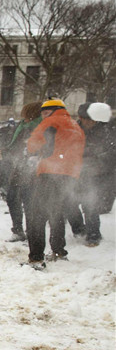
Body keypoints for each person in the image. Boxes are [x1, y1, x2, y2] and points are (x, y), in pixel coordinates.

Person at [23, 98, 86, 270]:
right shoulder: (74, 125)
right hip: (70, 175)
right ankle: (58, 252)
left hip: (50, 173)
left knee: (36, 215)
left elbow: (33, 145)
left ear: (53, 111)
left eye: (45, 112)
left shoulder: (51, 121)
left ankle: (36, 258)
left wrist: (31, 148)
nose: (43, 116)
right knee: (56, 213)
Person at [3, 101, 43, 242]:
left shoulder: (36, 127)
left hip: (29, 170)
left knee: (28, 202)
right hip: (18, 168)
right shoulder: (23, 126)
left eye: (25, 114)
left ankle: (30, 233)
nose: (23, 117)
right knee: (13, 199)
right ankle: (18, 230)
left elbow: (27, 147)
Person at [75, 102, 114, 247]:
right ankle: (78, 229)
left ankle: (93, 234)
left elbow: (110, 153)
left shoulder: (106, 131)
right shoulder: (73, 129)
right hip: (75, 171)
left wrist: (92, 159)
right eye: (86, 119)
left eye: (92, 119)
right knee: (69, 203)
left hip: (97, 173)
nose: (90, 122)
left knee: (90, 203)